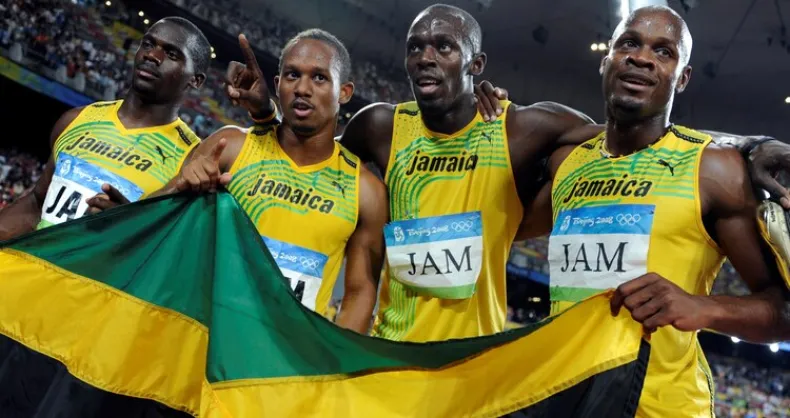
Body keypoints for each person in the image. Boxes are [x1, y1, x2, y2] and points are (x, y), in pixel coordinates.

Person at [238, 3, 790, 343]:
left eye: (444, 46)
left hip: (480, 360)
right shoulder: (378, 126)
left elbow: (633, 129)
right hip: (393, 351)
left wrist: (744, 142)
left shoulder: (523, 128)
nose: (427, 57)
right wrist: (266, 118)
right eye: (416, 47)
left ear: (475, 65)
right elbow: (313, 159)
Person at [518, 6, 790, 417]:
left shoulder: (713, 171)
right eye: (630, 43)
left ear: (683, 77)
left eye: (664, 52)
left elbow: (783, 311)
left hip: (663, 407)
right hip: (568, 400)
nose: (642, 57)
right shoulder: (568, 163)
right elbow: (501, 227)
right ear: (606, 59)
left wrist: (703, 307)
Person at [151, 29, 389, 334]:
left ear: (344, 92)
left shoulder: (366, 191)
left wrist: (333, 359)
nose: (302, 88)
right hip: (203, 340)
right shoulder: (229, 147)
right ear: (277, 85)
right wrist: (179, 190)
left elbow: (360, 293)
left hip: (288, 354)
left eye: (319, 78)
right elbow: (150, 221)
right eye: (292, 75)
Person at [0, 17, 208, 240]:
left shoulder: (192, 158)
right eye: (148, 44)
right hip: (34, 260)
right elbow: (36, 203)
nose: (152, 56)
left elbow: (176, 246)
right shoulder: (76, 119)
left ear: (196, 80)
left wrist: (129, 226)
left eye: (172, 54)